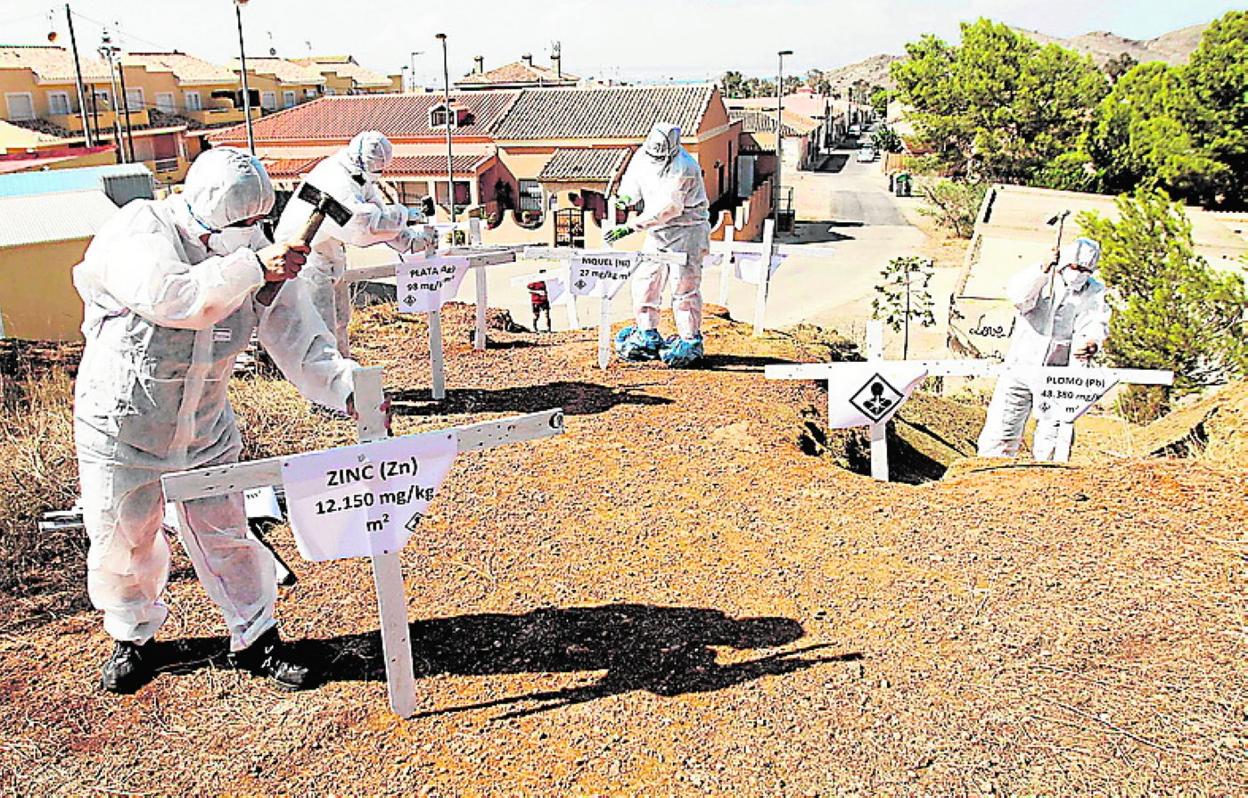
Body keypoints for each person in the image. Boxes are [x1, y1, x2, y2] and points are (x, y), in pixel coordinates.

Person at [73, 148, 361, 694]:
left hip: (205, 427)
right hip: (123, 426)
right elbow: (176, 298)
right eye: (239, 228)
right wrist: (254, 267)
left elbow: (295, 333)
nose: (251, 236)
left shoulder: (255, 248)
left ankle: (257, 638)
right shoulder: (138, 232)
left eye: (256, 227)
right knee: (124, 538)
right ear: (201, 213)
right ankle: (131, 636)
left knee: (226, 531)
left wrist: (345, 387)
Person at [275, 130, 430, 359]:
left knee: (339, 319)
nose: (379, 174)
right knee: (320, 326)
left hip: (328, 251)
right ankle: (325, 388)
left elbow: (378, 210)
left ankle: (343, 377)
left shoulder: (358, 175)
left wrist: (410, 241)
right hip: (303, 256)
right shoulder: (336, 179)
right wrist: (404, 214)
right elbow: (365, 225)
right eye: (377, 169)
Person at [976, 237, 1112, 461]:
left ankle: (1046, 482)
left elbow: (1095, 320)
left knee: (1053, 436)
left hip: (1058, 375)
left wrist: (1092, 341)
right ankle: (989, 474)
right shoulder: (1043, 277)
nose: (1078, 273)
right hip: (1021, 366)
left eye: (1084, 269)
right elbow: (1019, 297)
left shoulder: (1094, 291)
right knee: (1002, 429)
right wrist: (1042, 269)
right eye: (1074, 267)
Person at [607, 123, 711, 368]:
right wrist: (626, 197)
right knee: (646, 281)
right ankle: (647, 332)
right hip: (657, 231)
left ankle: (689, 339)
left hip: (687, 231)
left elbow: (669, 208)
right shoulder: (644, 154)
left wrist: (631, 226)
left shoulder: (684, 167)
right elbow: (634, 179)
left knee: (684, 286)